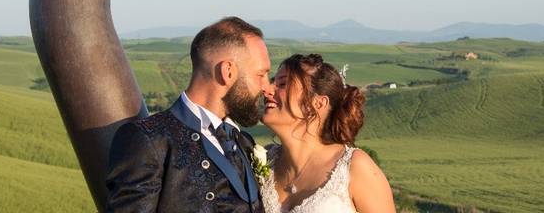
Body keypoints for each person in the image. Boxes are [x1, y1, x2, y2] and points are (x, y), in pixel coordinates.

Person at [106, 17, 272, 212]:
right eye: (260, 75)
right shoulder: (149, 140)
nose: (267, 87)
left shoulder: (243, 142)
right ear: (228, 71)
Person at [259, 54, 395, 213]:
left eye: (282, 84)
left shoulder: (355, 168)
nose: (267, 90)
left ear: (317, 103)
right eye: (272, 82)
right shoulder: (264, 162)